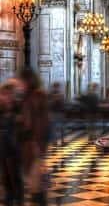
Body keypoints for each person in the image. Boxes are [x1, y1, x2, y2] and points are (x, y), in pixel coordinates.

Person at [19, 67, 50, 205]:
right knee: (34, 181)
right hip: (32, 142)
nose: (20, 84)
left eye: (22, 81)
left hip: (32, 142)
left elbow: (36, 122)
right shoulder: (33, 96)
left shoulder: (33, 97)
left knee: (35, 181)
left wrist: (36, 143)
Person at [0, 82, 24, 206]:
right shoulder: (2, 112)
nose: (5, 97)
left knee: (16, 178)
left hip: (15, 151)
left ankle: (18, 199)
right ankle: (9, 198)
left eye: (8, 95)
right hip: (4, 151)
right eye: (3, 94)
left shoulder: (17, 111)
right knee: (7, 179)